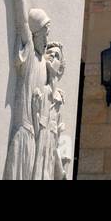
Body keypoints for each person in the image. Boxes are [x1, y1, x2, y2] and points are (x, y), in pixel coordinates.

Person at [3, 0, 49, 180]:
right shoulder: (30, 52)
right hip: (22, 132)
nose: (47, 37)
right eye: (45, 32)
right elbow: (21, 20)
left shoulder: (43, 62)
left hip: (35, 136)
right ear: (36, 32)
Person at [33, 41, 67, 179]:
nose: (53, 56)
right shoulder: (40, 88)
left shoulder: (59, 101)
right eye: (50, 53)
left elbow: (61, 138)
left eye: (57, 55)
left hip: (49, 161)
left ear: (60, 68)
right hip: (36, 154)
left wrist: (62, 170)